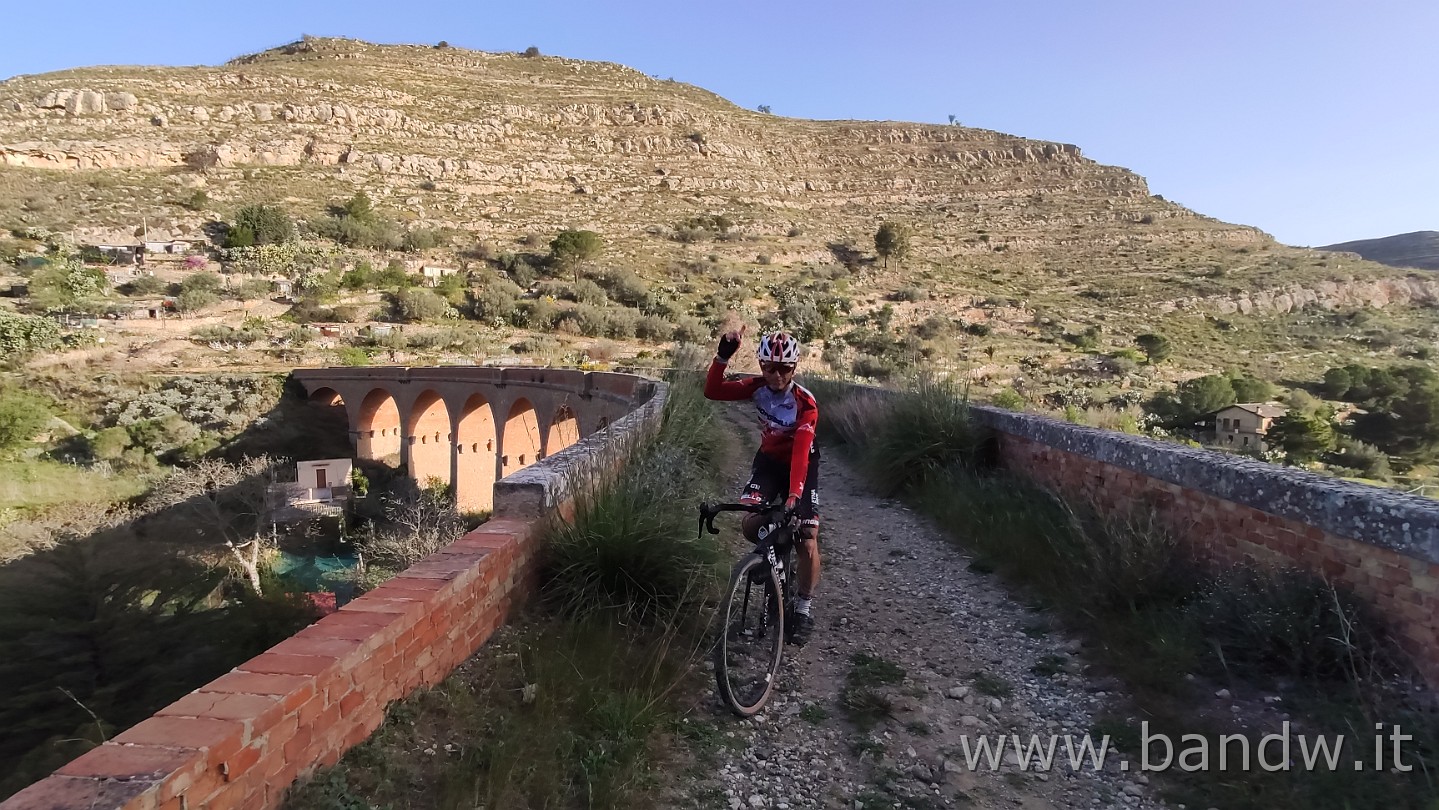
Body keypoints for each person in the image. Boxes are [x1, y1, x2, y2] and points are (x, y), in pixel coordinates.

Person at [704, 324, 821, 646]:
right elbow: (713, 391)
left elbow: (800, 453)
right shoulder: (756, 388)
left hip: (801, 464)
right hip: (769, 462)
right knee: (750, 521)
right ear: (761, 366)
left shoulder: (804, 403)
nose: (777, 376)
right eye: (769, 367)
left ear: (794, 368)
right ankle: (770, 555)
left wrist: (795, 495)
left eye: (784, 369)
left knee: (807, 538)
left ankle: (803, 608)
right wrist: (723, 356)